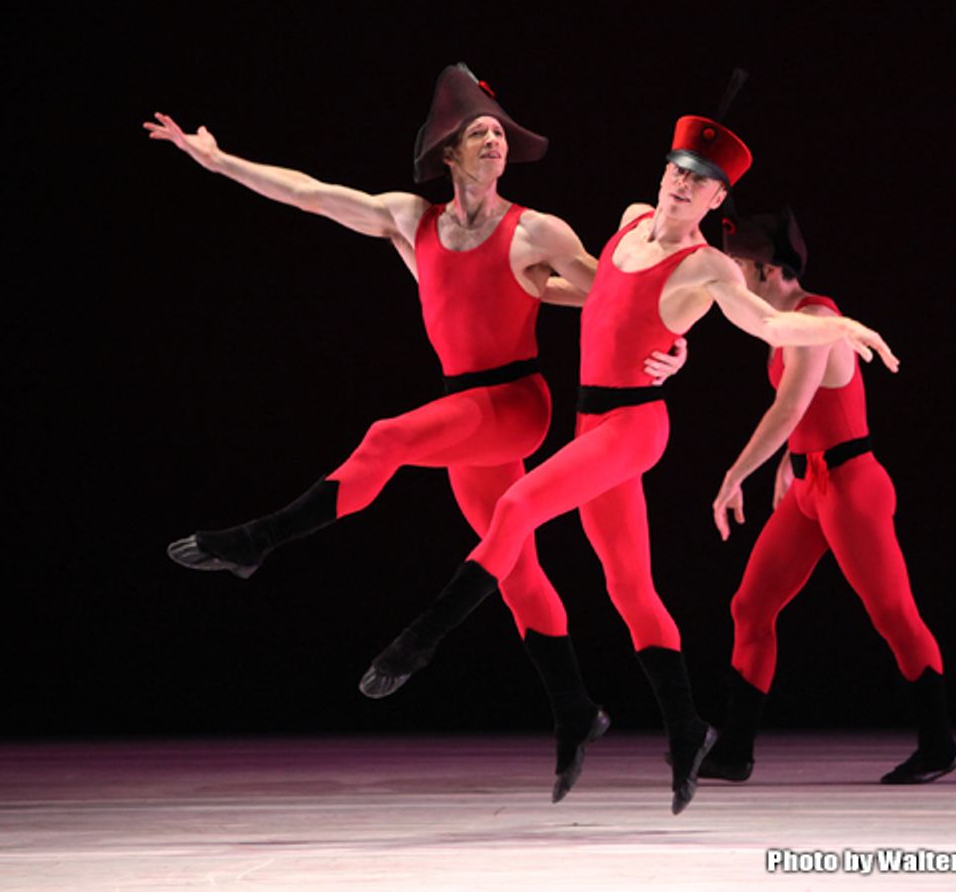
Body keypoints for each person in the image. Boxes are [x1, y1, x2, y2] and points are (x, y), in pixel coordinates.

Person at [144, 64, 686, 800]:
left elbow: (622, 290)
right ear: (449, 152)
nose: (496, 141)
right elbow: (309, 194)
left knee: (387, 438)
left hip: (515, 403)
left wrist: (677, 341)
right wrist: (219, 160)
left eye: (501, 133)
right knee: (516, 570)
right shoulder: (410, 218)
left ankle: (257, 541)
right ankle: (574, 707)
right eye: (480, 133)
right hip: (465, 415)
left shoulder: (537, 229)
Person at [359, 116, 900, 814]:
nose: (683, 184)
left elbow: (769, 325)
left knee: (518, 505)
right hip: (592, 419)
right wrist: (673, 343)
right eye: (678, 169)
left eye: (701, 182)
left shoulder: (709, 264)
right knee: (628, 585)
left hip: (634, 424)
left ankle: (419, 640)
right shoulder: (631, 219)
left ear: (716, 203)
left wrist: (843, 325)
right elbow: (603, 297)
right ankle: (687, 726)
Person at [705, 208, 956, 785]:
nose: (735, 279)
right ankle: (735, 749)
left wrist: (735, 475)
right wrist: (789, 466)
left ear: (768, 270)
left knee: (892, 613)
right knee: (750, 606)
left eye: (740, 267)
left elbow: (791, 405)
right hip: (811, 487)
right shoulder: (783, 318)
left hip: (852, 488)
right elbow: (805, 416)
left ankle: (938, 743)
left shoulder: (816, 318)